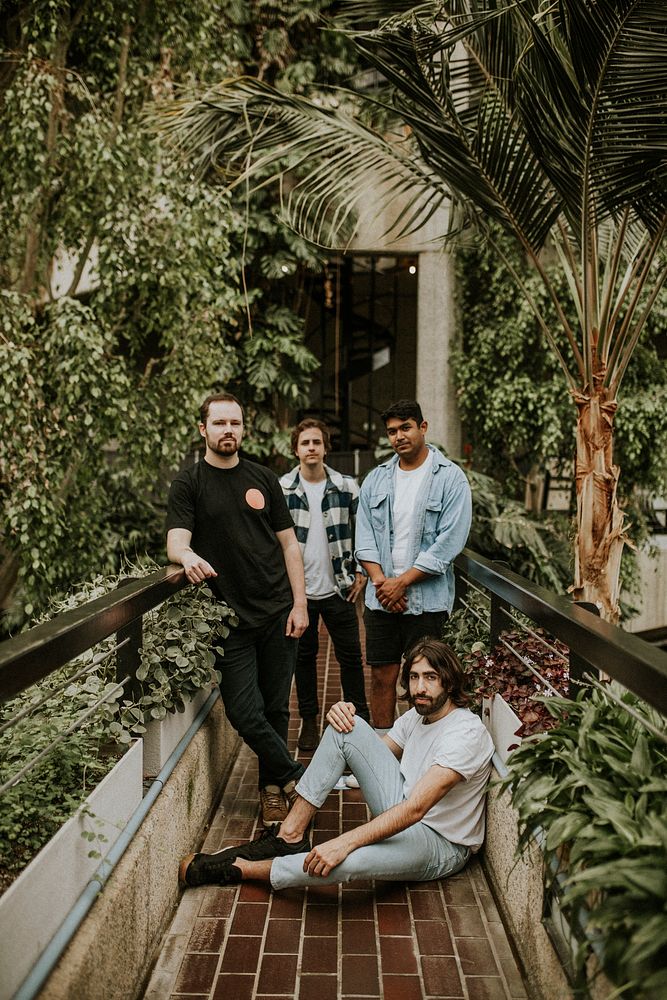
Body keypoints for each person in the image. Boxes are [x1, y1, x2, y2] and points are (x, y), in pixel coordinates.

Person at [179, 638, 495, 890]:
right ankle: (289, 836)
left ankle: (243, 870)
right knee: (348, 725)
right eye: (414, 677)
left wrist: (342, 843)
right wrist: (341, 719)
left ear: (450, 682)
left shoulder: (464, 733)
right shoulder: (418, 716)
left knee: (351, 859)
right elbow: (369, 753)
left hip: (440, 844)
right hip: (401, 807)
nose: (420, 689)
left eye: (431, 677)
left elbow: (416, 810)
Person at [166, 392, 308, 826]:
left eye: (236, 423)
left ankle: (272, 791)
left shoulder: (264, 478)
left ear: (243, 429)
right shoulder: (188, 483)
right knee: (244, 712)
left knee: (277, 707)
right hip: (228, 621)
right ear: (203, 429)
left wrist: (300, 604)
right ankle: (297, 777)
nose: (229, 430)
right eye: (220, 423)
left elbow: (289, 545)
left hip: (277, 610)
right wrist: (186, 558)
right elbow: (176, 540)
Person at [355, 399, 472, 733]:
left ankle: (419, 751)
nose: (398, 436)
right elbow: (363, 539)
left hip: (426, 602)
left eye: (405, 427)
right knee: (381, 677)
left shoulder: (451, 479)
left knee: (423, 683)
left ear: (423, 427)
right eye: (391, 431)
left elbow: (449, 542)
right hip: (382, 600)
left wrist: (402, 582)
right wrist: (382, 583)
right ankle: (383, 757)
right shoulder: (375, 480)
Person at [280, 418, 369, 751]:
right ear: (296, 449)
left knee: (350, 657)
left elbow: (364, 531)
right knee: (303, 660)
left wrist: (361, 570)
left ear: (325, 448)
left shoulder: (347, 487)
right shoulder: (283, 488)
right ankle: (308, 720)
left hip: (340, 588)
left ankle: (361, 720)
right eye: (305, 443)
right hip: (300, 593)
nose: (311, 448)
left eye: (317, 442)